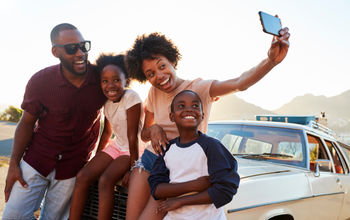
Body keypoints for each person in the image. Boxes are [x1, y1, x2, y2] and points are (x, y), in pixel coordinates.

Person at [124, 26, 290, 219]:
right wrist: (153, 129)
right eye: (150, 74)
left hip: (178, 169)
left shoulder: (199, 88)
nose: (159, 76)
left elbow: (240, 82)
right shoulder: (154, 92)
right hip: (150, 160)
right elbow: (144, 133)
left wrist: (271, 61)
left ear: (172, 61)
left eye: (162, 66)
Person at [2, 23, 106, 220]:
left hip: (74, 164)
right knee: (12, 215)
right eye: (71, 48)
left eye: (83, 46)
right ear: (55, 51)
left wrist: (97, 160)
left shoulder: (101, 79)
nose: (79, 53)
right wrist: (14, 164)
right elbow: (26, 123)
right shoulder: (40, 81)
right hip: (37, 159)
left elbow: (111, 120)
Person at [69, 54, 143, 220]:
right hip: (117, 145)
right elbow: (107, 131)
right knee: (82, 176)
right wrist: (97, 158)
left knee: (105, 180)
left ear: (126, 80)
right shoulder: (106, 102)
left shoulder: (131, 98)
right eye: (105, 81)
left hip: (133, 150)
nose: (110, 85)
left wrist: (133, 169)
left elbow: (133, 137)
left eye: (116, 80)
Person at [148, 90, 240, 220]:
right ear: (171, 116)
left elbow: (225, 190)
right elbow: (156, 189)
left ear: (202, 115)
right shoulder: (167, 149)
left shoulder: (212, 146)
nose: (189, 109)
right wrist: (193, 185)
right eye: (181, 106)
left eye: (195, 106)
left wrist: (181, 201)